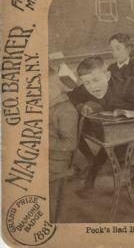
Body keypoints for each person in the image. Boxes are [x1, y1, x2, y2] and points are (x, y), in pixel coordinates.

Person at [69, 57, 134, 222]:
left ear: (108, 76)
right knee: (107, 145)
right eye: (87, 83)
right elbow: (73, 95)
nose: (92, 87)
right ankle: (90, 184)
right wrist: (81, 106)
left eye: (96, 80)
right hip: (131, 121)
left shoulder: (127, 88)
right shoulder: (86, 88)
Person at [48, 67, 79, 222]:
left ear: (53, 87)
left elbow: (70, 144)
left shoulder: (66, 109)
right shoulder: (50, 103)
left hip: (57, 161)